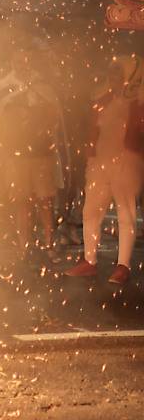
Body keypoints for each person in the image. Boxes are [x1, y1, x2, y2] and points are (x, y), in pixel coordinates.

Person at [66, 57, 144, 285]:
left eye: (119, 74)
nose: (114, 78)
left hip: (126, 162)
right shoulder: (103, 98)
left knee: (125, 213)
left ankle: (123, 266)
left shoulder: (138, 99)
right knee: (91, 211)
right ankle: (89, 261)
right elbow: (94, 127)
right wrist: (90, 155)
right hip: (101, 162)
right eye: (112, 73)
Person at [0, 54, 61, 262]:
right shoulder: (5, 85)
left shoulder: (41, 84)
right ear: (12, 61)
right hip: (18, 154)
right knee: (22, 203)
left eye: (25, 58)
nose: (21, 62)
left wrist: (39, 116)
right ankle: (24, 247)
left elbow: (54, 114)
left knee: (45, 202)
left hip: (41, 153)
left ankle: (49, 245)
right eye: (17, 58)